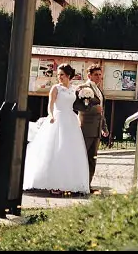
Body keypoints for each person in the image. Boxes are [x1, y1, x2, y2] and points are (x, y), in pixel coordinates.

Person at [22, 63, 91, 195]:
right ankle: (54, 183)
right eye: (58, 75)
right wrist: (52, 115)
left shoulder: (74, 89)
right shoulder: (55, 88)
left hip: (70, 119)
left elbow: (77, 103)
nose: (59, 77)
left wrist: (86, 99)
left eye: (62, 75)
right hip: (58, 117)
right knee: (57, 149)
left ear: (69, 76)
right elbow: (50, 104)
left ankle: (69, 182)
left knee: (70, 151)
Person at [78, 64, 109, 186]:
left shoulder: (99, 90)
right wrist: (95, 109)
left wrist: (104, 127)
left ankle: (87, 184)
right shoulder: (83, 88)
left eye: (100, 75)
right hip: (86, 128)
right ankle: (79, 183)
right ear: (89, 75)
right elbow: (79, 107)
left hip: (97, 130)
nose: (99, 77)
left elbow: (102, 111)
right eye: (96, 75)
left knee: (93, 159)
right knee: (82, 157)